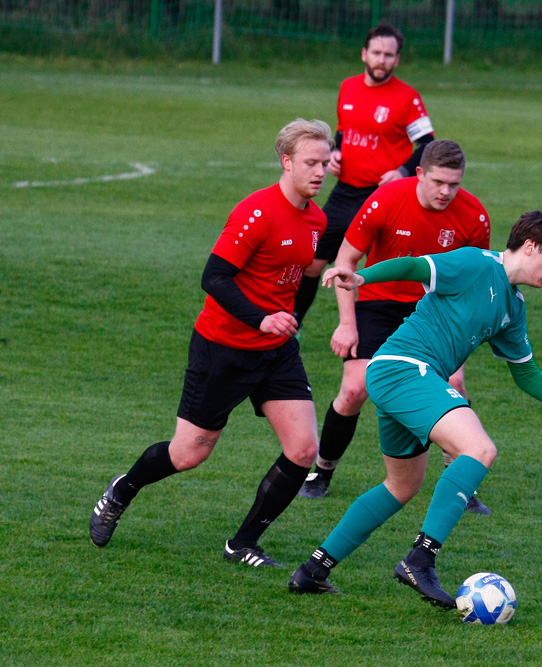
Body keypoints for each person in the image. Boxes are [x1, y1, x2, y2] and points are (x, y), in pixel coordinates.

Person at [286, 211, 542, 606]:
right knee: (479, 449)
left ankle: (313, 570)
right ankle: (420, 559)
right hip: (404, 369)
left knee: (401, 486)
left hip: (405, 378)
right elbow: (416, 266)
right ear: (530, 247)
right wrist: (362, 277)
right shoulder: (475, 262)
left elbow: (526, 374)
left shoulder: (513, 308)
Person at [89, 119, 334, 567]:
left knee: (303, 449)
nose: (320, 171)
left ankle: (242, 543)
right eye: (311, 162)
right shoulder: (256, 212)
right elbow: (214, 277)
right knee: (187, 455)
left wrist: (290, 317)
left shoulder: (317, 218)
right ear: (286, 162)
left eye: (325, 162)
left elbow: (299, 277)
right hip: (222, 347)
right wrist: (260, 318)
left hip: (276, 352)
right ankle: (121, 491)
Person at [298, 139, 495, 515]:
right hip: (379, 300)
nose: (446, 192)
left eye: (454, 184)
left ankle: (460, 483)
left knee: (454, 384)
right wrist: (346, 324)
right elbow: (346, 260)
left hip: (435, 309)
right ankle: (322, 472)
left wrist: (461, 349)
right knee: (355, 387)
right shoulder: (386, 199)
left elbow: (472, 284)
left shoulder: (474, 216)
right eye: (438, 182)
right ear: (419, 173)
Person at [293, 21, 434, 330]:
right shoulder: (348, 87)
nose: (381, 60)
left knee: (379, 272)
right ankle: (294, 327)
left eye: (388, 55)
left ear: (397, 60)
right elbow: (344, 129)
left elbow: (427, 145)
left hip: (385, 196)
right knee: (312, 263)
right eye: (376, 53)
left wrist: (401, 171)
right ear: (364, 54)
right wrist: (337, 154)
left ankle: (381, 334)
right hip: (345, 193)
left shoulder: (407, 98)